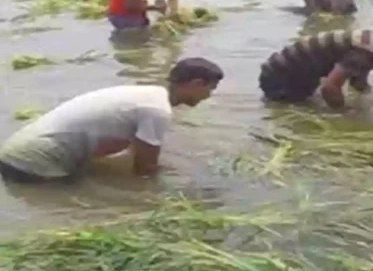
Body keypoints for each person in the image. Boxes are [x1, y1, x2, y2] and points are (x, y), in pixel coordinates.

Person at [0, 58, 223, 184]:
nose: (210, 96)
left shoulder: (147, 94)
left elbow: (133, 152)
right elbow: (144, 169)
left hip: (17, 150)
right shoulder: (157, 110)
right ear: (195, 84)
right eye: (210, 88)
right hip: (34, 163)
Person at [259, 8, 373, 108]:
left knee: (309, 104)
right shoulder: (363, 52)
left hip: (290, 70)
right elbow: (330, 88)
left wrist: (371, 100)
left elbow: (357, 82)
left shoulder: (369, 40)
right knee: (298, 110)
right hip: (281, 77)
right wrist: (343, 117)